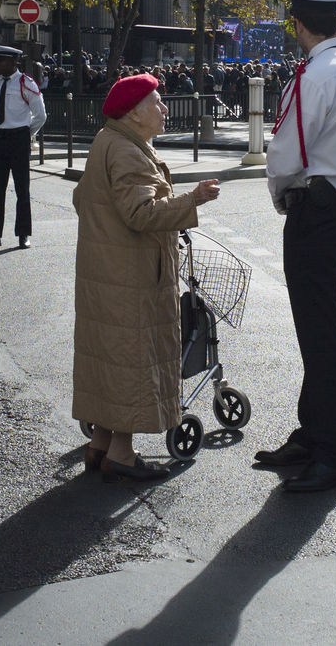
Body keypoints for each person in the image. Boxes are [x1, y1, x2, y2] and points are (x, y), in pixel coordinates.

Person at [256, 0, 336, 493]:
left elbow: (285, 154)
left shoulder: (311, 76)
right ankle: (313, 435)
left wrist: (282, 195)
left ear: (298, 24)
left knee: (319, 332)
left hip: (314, 206)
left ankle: (333, 453)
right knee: (320, 326)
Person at [71, 73, 221, 480]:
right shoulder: (129, 152)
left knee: (110, 356)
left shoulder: (107, 140)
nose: (165, 109)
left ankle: (100, 444)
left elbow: (82, 197)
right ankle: (121, 453)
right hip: (131, 277)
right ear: (135, 113)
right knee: (132, 359)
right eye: (157, 102)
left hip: (106, 271)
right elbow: (140, 214)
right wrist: (192, 199)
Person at [0, 46, 46, 250]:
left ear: (13, 62)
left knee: (22, 190)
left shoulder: (26, 83)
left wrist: (25, 133)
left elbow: (40, 115)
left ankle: (23, 234)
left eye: (2, 61)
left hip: (18, 140)